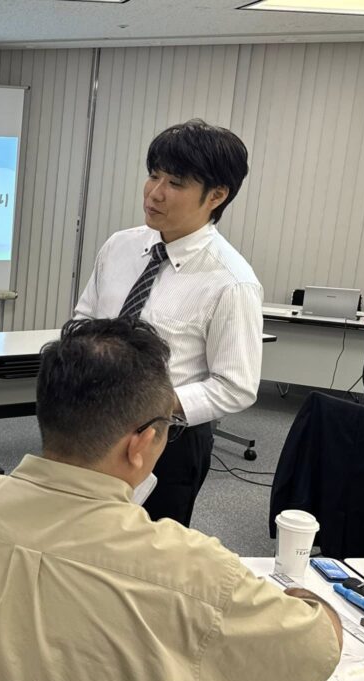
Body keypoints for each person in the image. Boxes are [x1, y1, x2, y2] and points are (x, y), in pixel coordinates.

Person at [0, 318, 342, 681]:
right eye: (170, 427)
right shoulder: (190, 571)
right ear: (140, 444)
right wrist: (307, 596)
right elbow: (316, 649)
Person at [74, 118, 263, 527]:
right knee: (81, 536)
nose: (154, 193)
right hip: (91, 422)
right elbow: (85, 319)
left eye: (175, 183)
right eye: (153, 175)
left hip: (166, 440)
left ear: (216, 195)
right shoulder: (120, 246)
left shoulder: (231, 282)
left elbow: (236, 386)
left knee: (145, 551)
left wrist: (152, 403)